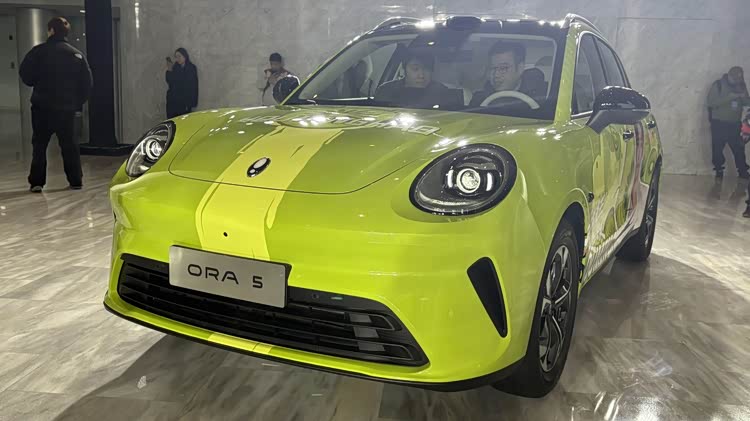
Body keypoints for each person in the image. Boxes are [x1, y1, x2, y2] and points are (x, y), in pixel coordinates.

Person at [19, 17, 92, 193]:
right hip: (66, 109)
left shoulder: (38, 52)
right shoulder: (76, 55)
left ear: (50, 30)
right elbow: (87, 84)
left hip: (41, 108)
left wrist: (38, 83)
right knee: (70, 145)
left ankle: (37, 182)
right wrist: (75, 103)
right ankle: (75, 180)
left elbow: (25, 75)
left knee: (39, 145)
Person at [469, 41, 546, 107]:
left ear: (520, 68)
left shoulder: (544, 96)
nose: (496, 75)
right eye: (492, 68)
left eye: (503, 68)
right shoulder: (479, 99)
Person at [375, 50, 457, 109]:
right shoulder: (387, 90)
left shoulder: (441, 92)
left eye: (427, 69)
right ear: (404, 69)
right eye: (415, 69)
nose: (421, 75)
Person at [707, 66, 749, 179]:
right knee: (717, 148)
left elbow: (747, 103)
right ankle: (719, 170)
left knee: (739, 148)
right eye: (735, 79)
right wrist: (730, 97)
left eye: (739, 79)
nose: (737, 82)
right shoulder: (718, 85)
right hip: (719, 123)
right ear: (729, 76)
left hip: (735, 124)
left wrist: (744, 96)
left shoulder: (741, 85)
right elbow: (711, 103)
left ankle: (743, 171)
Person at [165, 48, 199, 118]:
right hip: (173, 102)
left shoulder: (191, 68)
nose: (178, 59)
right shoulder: (175, 67)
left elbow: (193, 87)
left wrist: (191, 104)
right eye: (176, 57)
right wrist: (169, 70)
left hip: (184, 102)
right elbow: (170, 83)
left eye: (179, 56)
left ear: (185, 56)